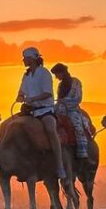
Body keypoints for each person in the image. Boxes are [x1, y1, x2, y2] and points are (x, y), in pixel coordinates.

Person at [17, 47, 66, 179]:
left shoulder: (44, 73)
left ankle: (59, 165)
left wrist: (33, 98)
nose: (23, 60)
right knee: (12, 126)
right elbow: (21, 90)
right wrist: (20, 96)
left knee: (51, 129)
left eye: (25, 57)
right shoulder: (26, 75)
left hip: (45, 110)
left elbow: (47, 93)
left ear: (32, 59)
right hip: (30, 111)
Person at [51, 62, 88, 160]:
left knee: (77, 125)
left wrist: (64, 102)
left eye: (57, 74)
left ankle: (82, 151)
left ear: (62, 73)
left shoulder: (76, 82)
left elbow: (78, 98)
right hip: (59, 109)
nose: (56, 77)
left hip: (72, 109)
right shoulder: (60, 85)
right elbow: (58, 99)